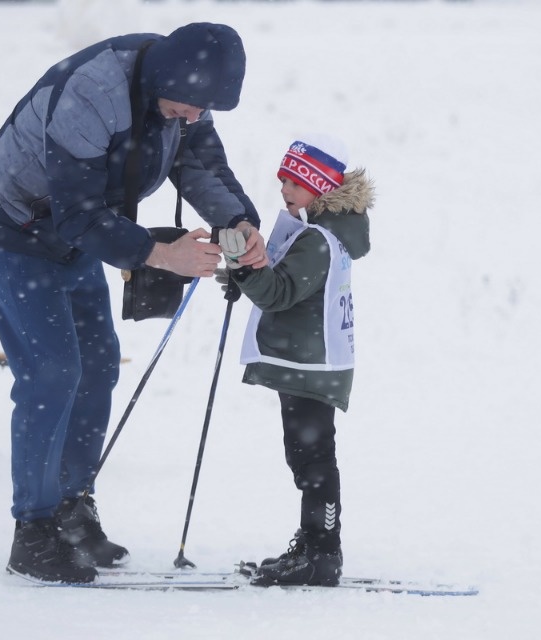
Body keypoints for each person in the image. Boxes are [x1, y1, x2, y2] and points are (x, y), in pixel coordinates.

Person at [0, 23, 267, 585]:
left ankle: (73, 508)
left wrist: (239, 222)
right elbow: (76, 211)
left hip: (80, 228)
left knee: (98, 364)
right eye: (193, 107)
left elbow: (201, 164)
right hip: (16, 225)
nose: (198, 117)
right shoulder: (93, 93)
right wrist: (155, 252)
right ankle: (33, 530)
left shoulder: (184, 93)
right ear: (167, 82)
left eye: (207, 110)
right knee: (52, 373)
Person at [216, 134, 375, 586]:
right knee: (306, 455)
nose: (285, 189)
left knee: (313, 458)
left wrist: (244, 270)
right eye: (283, 179)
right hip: (310, 360)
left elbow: (279, 291)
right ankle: (313, 544)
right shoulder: (319, 232)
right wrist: (247, 276)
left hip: (313, 364)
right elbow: (281, 281)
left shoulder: (318, 241)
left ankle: (323, 553)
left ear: (322, 189)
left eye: (297, 183)